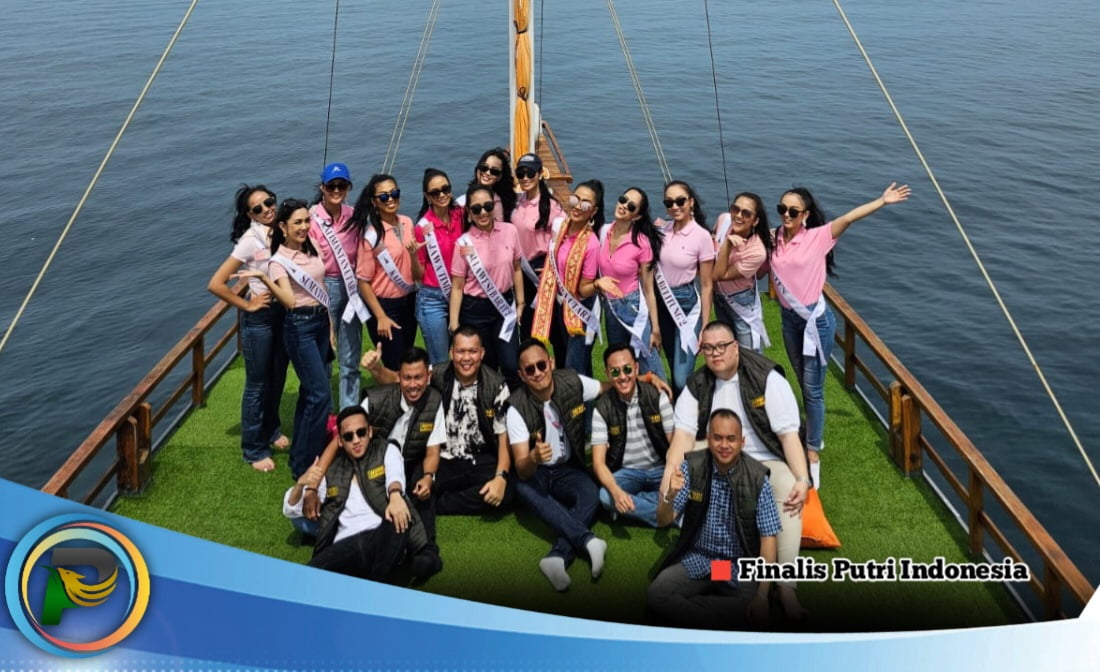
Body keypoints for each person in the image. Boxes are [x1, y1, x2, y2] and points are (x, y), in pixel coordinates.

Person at [662, 320, 810, 620]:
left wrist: (803, 479)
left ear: (736, 347)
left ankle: (785, 586)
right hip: (716, 450)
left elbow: (788, 435)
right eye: (708, 348)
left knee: (787, 486)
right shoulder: (696, 384)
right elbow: (683, 437)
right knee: (679, 468)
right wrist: (670, 478)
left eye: (722, 346)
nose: (715, 353)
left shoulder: (767, 378)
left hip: (762, 457)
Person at [770, 183, 911, 486]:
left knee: (813, 389)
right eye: (782, 209)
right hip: (789, 320)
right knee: (802, 379)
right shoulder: (775, 237)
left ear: (805, 215)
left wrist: (882, 201)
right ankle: (812, 432)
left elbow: (849, 218)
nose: (786, 215)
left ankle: (812, 453)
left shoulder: (819, 237)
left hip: (815, 322)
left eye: (793, 211)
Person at [647, 408, 780, 630]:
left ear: (742, 442)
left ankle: (693, 616)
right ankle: (715, 623)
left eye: (731, 439)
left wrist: (762, 596)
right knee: (656, 594)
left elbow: (769, 539)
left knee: (751, 605)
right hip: (699, 558)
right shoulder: (692, 467)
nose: (724, 445)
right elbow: (663, 520)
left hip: (735, 566)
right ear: (708, 439)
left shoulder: (757, 479)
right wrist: (669, 495)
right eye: (717, 438)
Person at [240, 198, 333, 480]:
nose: (304, 227)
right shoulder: (278, 260)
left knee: (310, 394)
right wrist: (264, 279)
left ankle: (304, 454)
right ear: (283, 226)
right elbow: (290, 301)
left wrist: (330, 329)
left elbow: (321, 285)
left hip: (320, 322)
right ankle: (304, 463)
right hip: (299, 327)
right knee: (320, 394)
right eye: (297, 222)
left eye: (306, 221)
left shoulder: (311, 245)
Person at [506, 339, 607, 591]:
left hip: (568, 469)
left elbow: (605, 387)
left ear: (550, 362)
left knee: (591, 492)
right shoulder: (516, 408)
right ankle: (588, 541)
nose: (538, 372)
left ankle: (557, 557)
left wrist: (645, 379)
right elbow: (522, 469)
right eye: (530, 369)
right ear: (522, 375)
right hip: (537, 473)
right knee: (523, 487)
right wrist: (533, 457)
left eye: (541, 365)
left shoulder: (572, 381)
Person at [283, 406, 423, 582]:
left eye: (361, 433)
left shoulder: (385, 451)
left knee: (399, 521)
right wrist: (301, 485)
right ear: (340, 441)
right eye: (349, 436)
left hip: (381, 534)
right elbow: (291, 510)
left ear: (369, 432)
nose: (356, 440)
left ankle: (375, 584)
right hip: (347, 545)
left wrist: (395, 494)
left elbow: (395, 474)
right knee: (309, 575)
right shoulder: (333, 471)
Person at [207, 184, 289, 472]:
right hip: (260, 319)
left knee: (278, 376)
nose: (267, 209)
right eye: (258, 208)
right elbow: (216, 283)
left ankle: (271, 429)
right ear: (250, 215)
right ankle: (253, 449)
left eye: (269, 201)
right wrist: (247, 305)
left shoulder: (282, 230)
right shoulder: (250, 241)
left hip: (282, 312)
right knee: (257, 383)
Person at [359, 346, 445, 578]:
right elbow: (349, 438)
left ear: (428, 376)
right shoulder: (374, 401)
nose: (413, 384)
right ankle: (396, 553)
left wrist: (428, 477)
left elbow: (433, 451)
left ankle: (427, 551)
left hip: (410, 464)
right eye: (407, 378)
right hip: (374, 468)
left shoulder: (434, 401)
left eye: (418, 377)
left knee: (425, 490)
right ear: (399, 377)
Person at [448, 185, 524, 389]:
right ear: (469, 213)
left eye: (487, 206)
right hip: (475, 311)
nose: (483, 212)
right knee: (485, 366)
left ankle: (514, 404)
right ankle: (488, 405)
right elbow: (457, 287)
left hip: (504, 307)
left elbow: (517, 268)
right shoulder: (463, 243)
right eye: (476, 208)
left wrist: (521, 303)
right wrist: (454, 325)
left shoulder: (510, 231)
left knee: (511, 364)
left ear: (494, 206)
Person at [590, 344, 673, 527]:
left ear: (636, 368)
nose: (622, 377)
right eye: (615, 372)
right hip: (627, 473)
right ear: (607, 374)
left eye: (627, 369)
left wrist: (671, 476)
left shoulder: (657, 396)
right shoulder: (602, 408)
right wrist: (616, 492)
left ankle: (639, 504)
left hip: (660, 469)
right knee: (606, 496)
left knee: (687, 486)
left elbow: (674, 443)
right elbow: (598, 463)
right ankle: (669, 514)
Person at [530, 180, 603, 376]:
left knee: (574, 367)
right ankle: (585, 396)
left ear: (593, 211)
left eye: (585, 204)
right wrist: (550, 271)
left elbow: (584, 290)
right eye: (575, 199)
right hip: (560, 305)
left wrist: (597, 284)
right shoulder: (561, 227)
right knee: (576, 363)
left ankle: (576, 396)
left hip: (580, 310)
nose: (578, 206)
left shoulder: (592, 244)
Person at [308, 163, 364, 410]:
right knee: (325, 353)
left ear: (349, 187)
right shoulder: (311, 218)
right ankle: (326, 413)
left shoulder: (355, 215)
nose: (337, 190)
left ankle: (349, 412)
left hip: (351, 286)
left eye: (342, 185)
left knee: (350, 355)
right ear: (322, 187)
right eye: (332, 186)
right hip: (323, 286)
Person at [351, 173, 419, 373]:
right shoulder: (372, 237)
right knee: (394, 365)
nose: (390, 199)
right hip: (385, 306)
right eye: (383, 196)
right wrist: (380, 316)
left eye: (394, 193)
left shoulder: (407, 222)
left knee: (407, 362)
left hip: (409, 301)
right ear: (374, 202)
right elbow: (363, 282)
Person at [596, 186, 664, 378]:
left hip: (632, 307)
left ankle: (663, 396)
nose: (624, 206)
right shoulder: (604, 232)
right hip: (610, 308)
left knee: (649, 364)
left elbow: (649, 289)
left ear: (637, 216)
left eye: (631, 206)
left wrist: (655, 328)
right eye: (623, 199)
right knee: (620, 365)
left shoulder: (642, 243)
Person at [654, 180, 715, 395]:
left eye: (680, 201)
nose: (675, 206)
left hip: (686, 306)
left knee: (681, 377)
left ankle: (698, 399)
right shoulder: (661, 230)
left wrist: (705, 326)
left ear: (691, 202)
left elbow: (707, 285)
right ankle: (682, 412)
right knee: (672, 364)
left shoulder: (702, 236)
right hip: (661, 303)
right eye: (669, 202)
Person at [413, 168, 464, 367]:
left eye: (445, 189)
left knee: (463, 355)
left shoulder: (461, 215)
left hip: (461, 293)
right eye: (435, 193)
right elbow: (418, 276)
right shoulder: (422, 228)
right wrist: (412, 255)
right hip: (432, 299)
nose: (442, 195)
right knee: (440, 362)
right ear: (427, 197)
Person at [510, 152, 563, 340]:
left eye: (530, 173)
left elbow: (562, 239)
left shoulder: (552, 206)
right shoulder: (517, 202)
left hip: (543, 271)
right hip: (521, 272)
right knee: (526, 328)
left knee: (555, 330)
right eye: (521, 173)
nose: (525, 178)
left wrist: (552, 268)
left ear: (540, 174)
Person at [712, 192, 773, 352]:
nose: (738, 216)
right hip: (719, 299)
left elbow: (718, 275)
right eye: (735, 209)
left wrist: (727, 245)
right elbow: (712, 239)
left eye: (746, 213)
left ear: (755, 220)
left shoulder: (757, 252)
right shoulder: (723, 220)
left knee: (750, 355)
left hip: (741, 301)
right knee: (727, 351)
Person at [455, 147, 515, 223]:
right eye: (484, 167)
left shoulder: (505, 202)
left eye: (494, 171)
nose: (487, 173)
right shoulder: (461, 203)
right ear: (477, 168)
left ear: (499, 177)